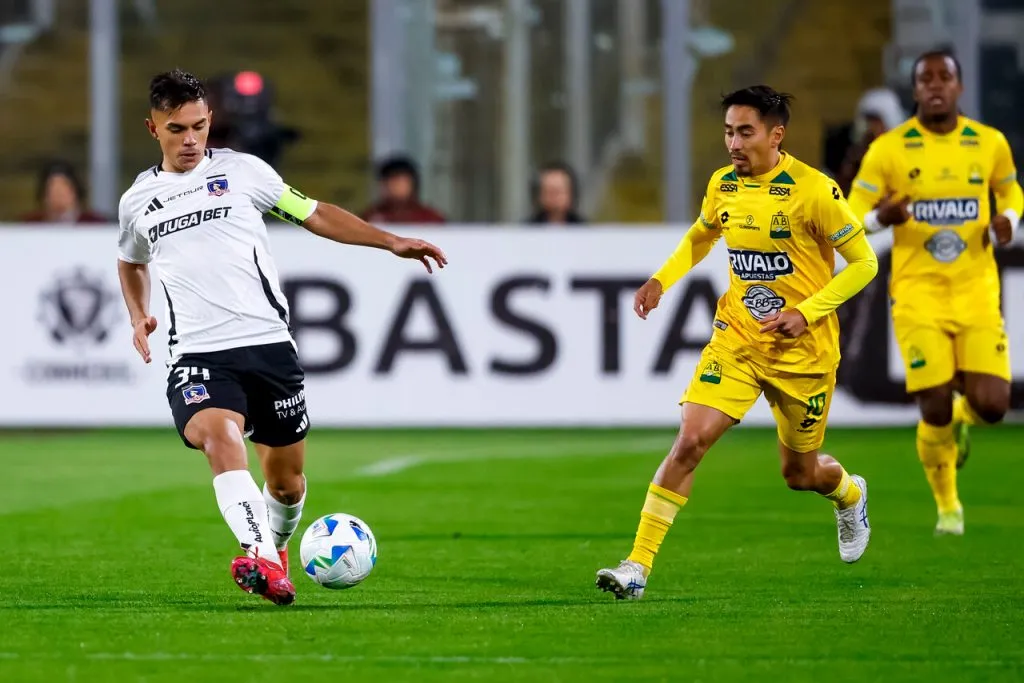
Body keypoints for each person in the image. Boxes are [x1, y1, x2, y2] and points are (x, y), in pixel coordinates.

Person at [116, 70, 447, 605]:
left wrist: (389, 241)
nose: (191, 140)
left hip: (268, 346)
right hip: (198, 354)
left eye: (200, 126)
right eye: (177, 129)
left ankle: (277, 545)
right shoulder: (139, 201)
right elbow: (130, 261)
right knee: (220, 438)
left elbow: (313, 213)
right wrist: (138, 314)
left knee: (287, 483)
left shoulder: (243, 172)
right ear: (153, 128)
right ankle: (260, 557)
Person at [595, 86, 878, 600]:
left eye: (744, 132)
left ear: (776, 135)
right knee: (691, 440)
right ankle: (636, 565)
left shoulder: (815, 190)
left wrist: (806, 312)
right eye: (728, 131)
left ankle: (850, 494)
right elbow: (702, 236)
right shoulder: (723, 184)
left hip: (804, 355)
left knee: (800, 473)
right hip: (737, 340)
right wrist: (662, 279)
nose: (733, 142)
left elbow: (865, 263)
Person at [847, 49, 1022, 536]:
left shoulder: (988, 143)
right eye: (926, 79)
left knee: (992, 405)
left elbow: (1010, 191)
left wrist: (1010, 219)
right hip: (917, 293)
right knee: (934, 405)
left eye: (945, 76)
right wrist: (882, 218)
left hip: (976, 291)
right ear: (915, 89)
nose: (936, 85)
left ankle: (967, 416)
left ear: (959, 87)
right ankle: (949, 507)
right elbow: (850, 214)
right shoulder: (890, 149)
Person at [359, 155, 446, 224]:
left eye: (400, 182)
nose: (395, 186)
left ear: (413, 184)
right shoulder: (371, 216)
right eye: (390, 182)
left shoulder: (430, 218)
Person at [19, 161, 108, 224]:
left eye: (63, 191)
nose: (59, 197)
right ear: (44, 197)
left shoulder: (93, 224)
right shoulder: (32, 225)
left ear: (75, 193)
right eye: (53, 191)